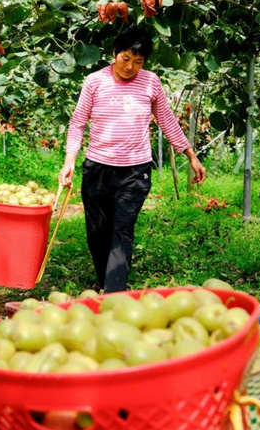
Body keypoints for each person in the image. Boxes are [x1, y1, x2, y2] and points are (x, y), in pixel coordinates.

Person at [59, 27, 206, 293]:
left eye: (138, 62)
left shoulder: (151, 82)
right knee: (97, 232)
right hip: (98, 168)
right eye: (126, 58)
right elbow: (78, 123)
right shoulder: (94, 81)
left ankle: (114, 292)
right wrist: (70, 160)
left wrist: (191, 155)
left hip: (135, 172)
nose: (130, 67)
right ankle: (106, 280)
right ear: (114, 54)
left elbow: (167, 121)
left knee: (122, 229)